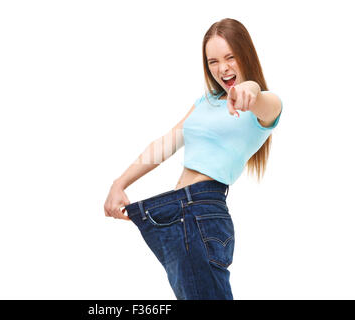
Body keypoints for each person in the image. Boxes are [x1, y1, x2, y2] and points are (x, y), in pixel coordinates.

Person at [103, 18, 283, 300]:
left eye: (230, 57)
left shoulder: (267, 104)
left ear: (245, 54)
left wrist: (250, 89)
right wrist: (119, 183)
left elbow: (261, 99)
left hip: (201, 210)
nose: (222, 69)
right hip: (178, 214)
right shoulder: (206, 102)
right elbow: (165, 144)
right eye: (212, 61)